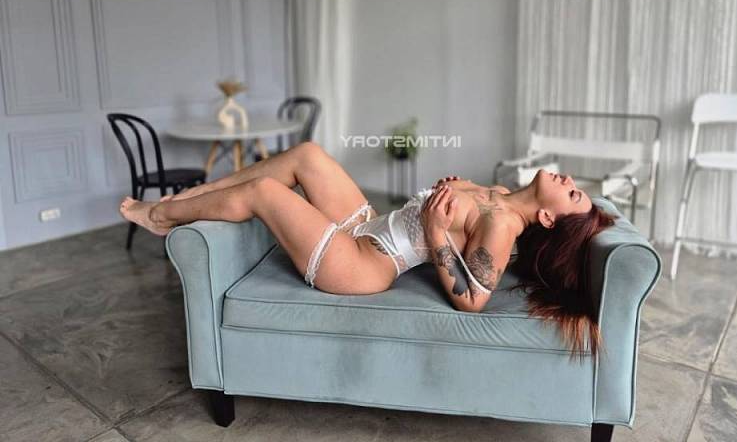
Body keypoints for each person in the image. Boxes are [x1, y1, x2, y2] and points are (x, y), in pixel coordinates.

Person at [120, 141, 615, 357]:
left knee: (266, 194)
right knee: (307, 155)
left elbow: (473, 298)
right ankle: (193, 196)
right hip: (367, 226)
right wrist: (453, 191)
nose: (569, 180)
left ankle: (163, 217)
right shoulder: (501, 195)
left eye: (572, 194)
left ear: (547, 218)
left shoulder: (504, 224)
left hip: (360, 264)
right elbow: (459, 220)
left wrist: (437, 232)